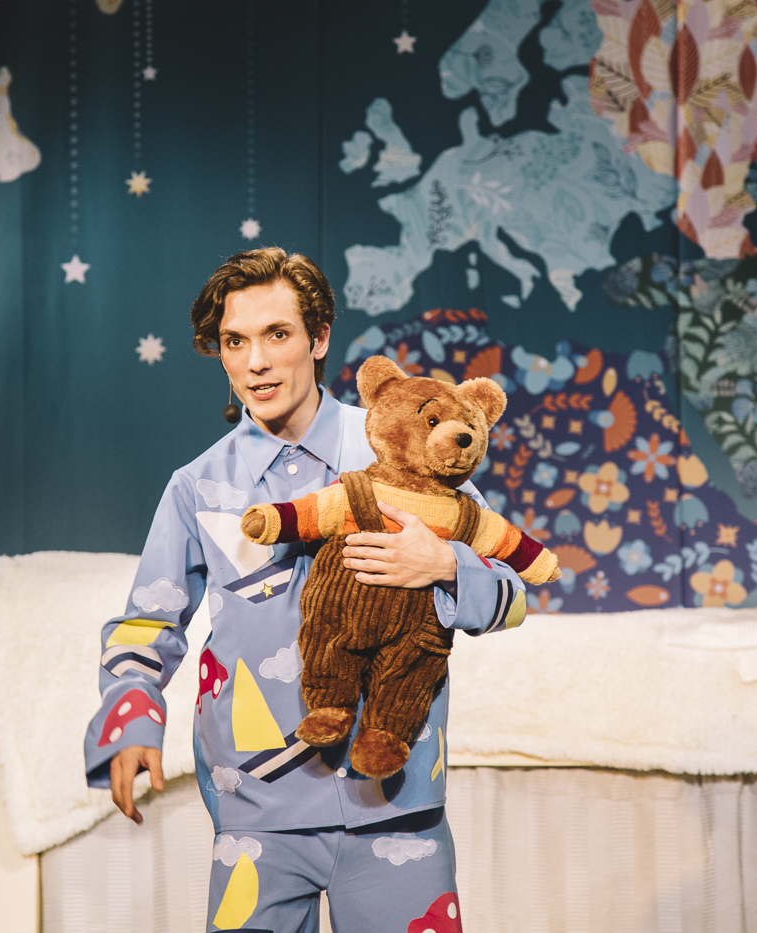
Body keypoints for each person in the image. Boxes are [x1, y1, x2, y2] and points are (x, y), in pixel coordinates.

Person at [83, 247, 525, 932]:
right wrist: (132, 714)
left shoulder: (405, 444)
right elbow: (148, 622)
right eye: (235, 341)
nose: (256, 362)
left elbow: (513, 594)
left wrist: (443, 565)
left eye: (277, 334)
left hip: (394, 799)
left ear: (319, 339)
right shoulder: (198, 486)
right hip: (256, 806)